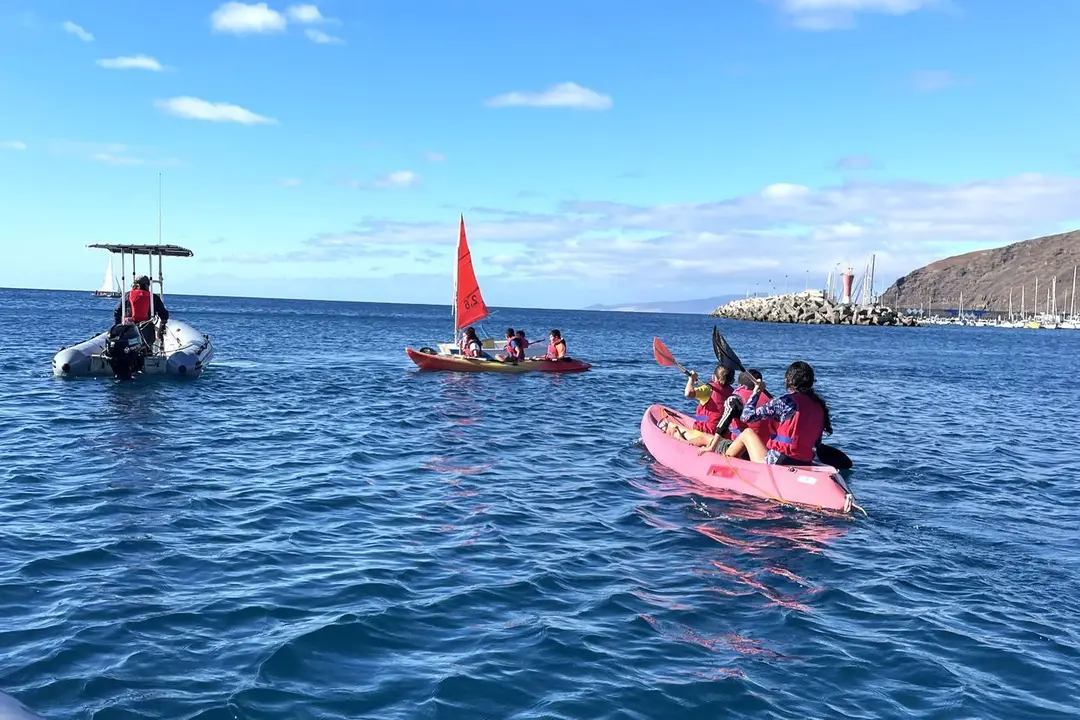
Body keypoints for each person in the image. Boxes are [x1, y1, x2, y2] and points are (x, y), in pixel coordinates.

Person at [718, 360, 833, 465]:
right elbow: (816, 441)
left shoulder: (785, 402)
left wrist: (756, 393)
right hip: (805, 461)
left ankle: (724, 465)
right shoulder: (819, 406)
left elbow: (746, 417)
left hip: (781, 459)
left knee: (747, 433)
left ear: (789, 381)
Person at [656, 364, 736, 447]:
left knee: (671, 425)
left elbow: (688, 393)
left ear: (713, 377)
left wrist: (691, 379)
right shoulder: (734, 393)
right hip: (722, 434)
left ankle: (680, 439)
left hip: (705, 432)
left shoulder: (708, 389)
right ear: (732, 380)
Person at [113, 275, 168, 349]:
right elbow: (164, 314)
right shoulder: (154, 298)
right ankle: (148, 353)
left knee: (129, 347)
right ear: (146, 285)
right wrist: (161, 328)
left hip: (128, 330)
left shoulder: (126, 296)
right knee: (147, 348)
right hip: (146, 332)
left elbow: (117, 311)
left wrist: (118, 327)